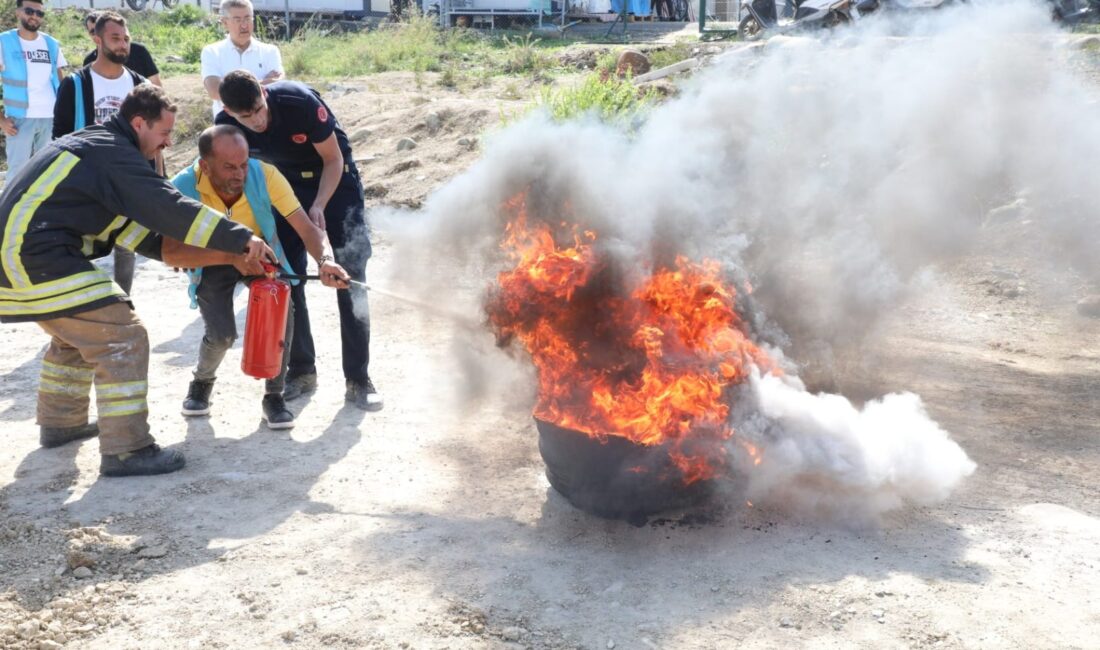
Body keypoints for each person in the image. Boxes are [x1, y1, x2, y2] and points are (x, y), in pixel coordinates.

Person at [0, 84, 275, 477]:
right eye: (163, 134)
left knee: (81, 330)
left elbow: (158, 245)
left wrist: (233, 257)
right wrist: (241, 237)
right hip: (31, 255)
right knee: (123, 333)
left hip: (21, 255)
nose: (166, 145)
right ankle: (127, 449)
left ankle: (61, 423)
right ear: (139, 123)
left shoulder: (102, 157)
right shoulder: (113, 155)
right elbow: (169, 208)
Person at [216, 70, 381, 411]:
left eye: (259, 109)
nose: (257, 121)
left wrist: (319, 205)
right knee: (287, 278)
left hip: (334, 183)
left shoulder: (298, 102)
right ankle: (301, 370)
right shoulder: (226, 128)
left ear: (263, 92)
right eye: (246, 116)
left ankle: (358, 378)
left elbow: (334, 160)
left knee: (350, 276)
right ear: (230, 113)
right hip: (283, 192)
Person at [172, 125, 350, 429]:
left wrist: (325, 260)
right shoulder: (182, 187)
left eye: (243, 164)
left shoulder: (265, 175)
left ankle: (274, 395)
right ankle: (201, 382)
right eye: (228, 167)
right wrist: (228, 257)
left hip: (260, 256)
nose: (240, 174)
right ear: (205, 165)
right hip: (211, 259)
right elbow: (170, 251)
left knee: (281, 308)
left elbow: (307, 228)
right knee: (222, 335)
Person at [54, 12, 149, 296]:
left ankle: (122, 305)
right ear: (97, 39)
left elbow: (152, 138)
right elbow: (59, 137)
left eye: (126, 39)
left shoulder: (139, 85)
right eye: (115, 39)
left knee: (126, 245)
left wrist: (156, 179)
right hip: (85, 181)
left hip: (127, 181)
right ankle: (79, 306)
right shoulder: (74, 84)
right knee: (78, 245)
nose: (122, 45)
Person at [0, 0, 67, 177]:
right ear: (18, 13)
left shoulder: (51, 44)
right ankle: (11, 205)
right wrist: (1, 120)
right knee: (17, 173)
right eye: (29, 11)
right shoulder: (4, 42)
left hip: (50, 118)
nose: (34, 17)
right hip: (19, 120)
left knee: (48, 172)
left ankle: (43, 206)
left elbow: (61, 81)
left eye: (39, 13)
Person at [201, 0, 283, 119]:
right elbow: (214, 91)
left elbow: (277, 87)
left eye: (247, 18)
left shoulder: (270, 51)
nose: (244, 25)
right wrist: (262, 83)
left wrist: (229, 89)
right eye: (237, 20)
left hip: (263, 123)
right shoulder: (212, 52)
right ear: (224, 22)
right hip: (228, 126)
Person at [81, 11, 160, 86]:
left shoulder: (139, 51)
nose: (97, 34)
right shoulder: (89, 61)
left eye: (100, 29)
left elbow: (156, 86)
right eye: (93, 31)